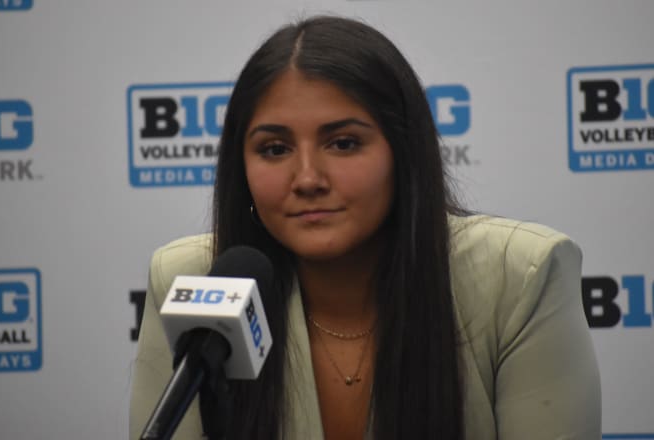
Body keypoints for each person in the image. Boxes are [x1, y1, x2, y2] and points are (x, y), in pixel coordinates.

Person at [130, 15, 601, 440]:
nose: (308, 179)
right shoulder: (189, 279)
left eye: (344, 143)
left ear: (404, 153)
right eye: (274, 149)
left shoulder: (520, 276)